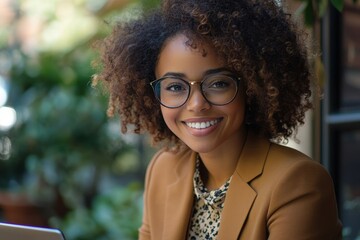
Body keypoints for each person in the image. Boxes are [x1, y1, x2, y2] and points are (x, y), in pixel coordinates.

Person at [94, 0, 342, 239]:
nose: (196, 104)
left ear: (253, 88)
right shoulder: (163, 169)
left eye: (218, 83)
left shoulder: (297, 182)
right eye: (175, 87)